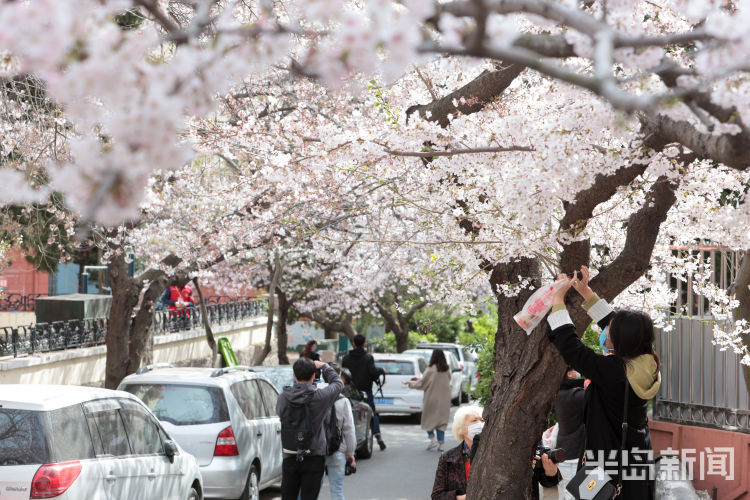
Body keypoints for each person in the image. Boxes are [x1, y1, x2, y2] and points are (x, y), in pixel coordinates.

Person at [546, 266, 661, 500]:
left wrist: (557, 299)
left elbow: (571, 348)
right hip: (635, 460)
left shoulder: (614, 371)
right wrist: (585, 291)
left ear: (621, 340)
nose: (606, 333)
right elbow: (614, 322)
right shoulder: (647, 359)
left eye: (611, 332)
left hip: (608, 466)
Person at [276, 358, 344, 500]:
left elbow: (280, 415)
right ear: (313, 376)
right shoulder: (320, 397)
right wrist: (325, 366)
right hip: (314, 455)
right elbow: (338, 383)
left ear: (294, 375)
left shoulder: (283, 397)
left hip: (290, 453)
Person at [342, 334, 387, 450]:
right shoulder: (368, 357)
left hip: (349, 392)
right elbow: (372, 372)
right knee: (372, 413)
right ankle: (378, 436)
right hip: (365, 391)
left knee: (350, 414)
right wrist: (381, 371)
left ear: (353, 344)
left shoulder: (346, 358)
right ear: (364, 343)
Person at [431, 405, 484, 500]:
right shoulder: (447, 458)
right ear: (462, 428)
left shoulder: (495, 453)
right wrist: (462, 498)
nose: (480, 424)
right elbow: (437, 496)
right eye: (474, 420)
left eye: (482, 420)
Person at [404, 348, 452, 452]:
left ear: (433, 357)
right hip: (444, 399)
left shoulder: (430, 369)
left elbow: (422, 383)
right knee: (441, 422)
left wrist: (411, 384)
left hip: (431, 398)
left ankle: (432, 440)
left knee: (427, 419)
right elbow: (449, 380)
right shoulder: (447, 369)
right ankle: (441, 444)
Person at [323, 365, 356, 500]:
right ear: (339, 377)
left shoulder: (316, 395)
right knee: (336, 490)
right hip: (338, 449)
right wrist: (350, 453)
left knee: (310, 491)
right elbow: (349, 429)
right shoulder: (343, 401)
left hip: (317, 450)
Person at [554, 366, 586, 498]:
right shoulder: (575, 395)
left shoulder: (559, 393)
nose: (578, 371)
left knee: (566, 492)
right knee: (577, 493)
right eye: (574, 369)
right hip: (575, 454)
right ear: (568, 374)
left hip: (563, 452)